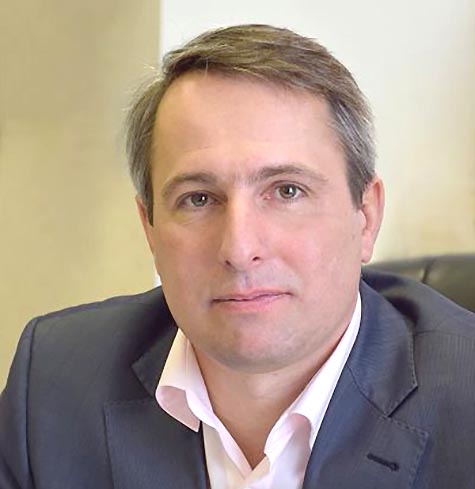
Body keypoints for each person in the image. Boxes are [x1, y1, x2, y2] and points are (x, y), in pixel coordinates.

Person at [1, 24, 474, 489]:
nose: (240, 250)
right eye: (198, 199)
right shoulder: (55, 383)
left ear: (365, 217)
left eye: (287, 191)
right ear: (150, 228)